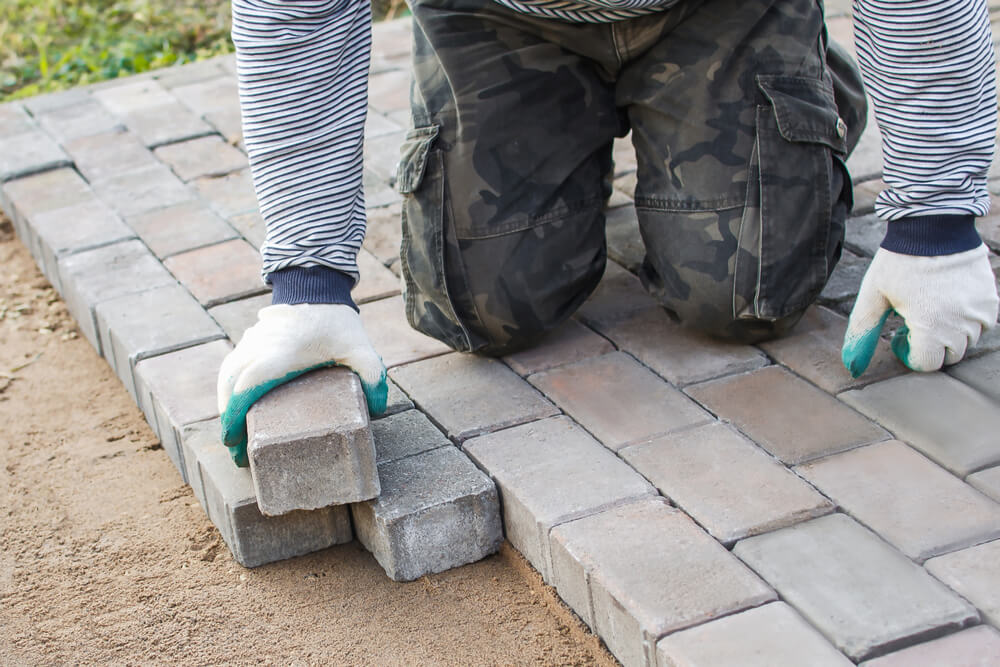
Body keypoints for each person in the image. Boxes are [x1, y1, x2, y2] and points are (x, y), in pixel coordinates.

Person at [217, 0, 998, 467]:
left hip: (720, 11)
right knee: (480, 309)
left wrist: (936, 220)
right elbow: (298, 13)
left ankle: (802, 86)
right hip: (500, 16)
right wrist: (307, 282)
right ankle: (575, 118)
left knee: (745, 294)